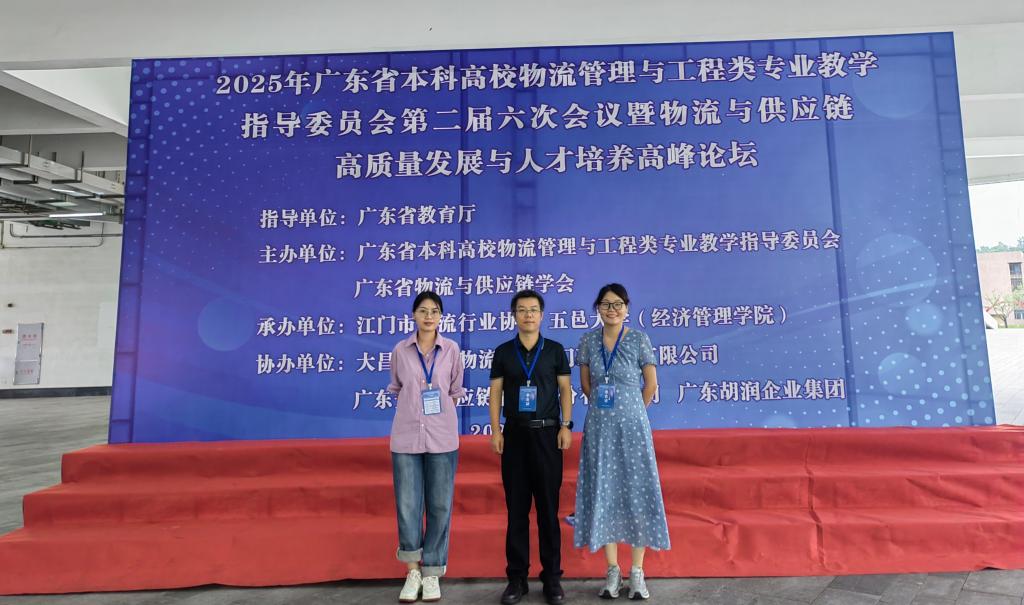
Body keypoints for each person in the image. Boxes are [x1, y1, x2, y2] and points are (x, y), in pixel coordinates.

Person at [573, 283, 670, 601]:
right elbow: (586, 385)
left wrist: (632, 411)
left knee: (637, 490)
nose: (612, 309)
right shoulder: (588, 341)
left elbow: (650, 384)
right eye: (605, 304)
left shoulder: (639, 339)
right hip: (600, 428)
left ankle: (637, 571)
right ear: (597, 309)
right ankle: (612, 570)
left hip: (633, 428)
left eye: (617, 304)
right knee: (604, 490)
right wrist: (607, 412)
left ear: (627, 308)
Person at [489, 289, 574, 605]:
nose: (528, 315)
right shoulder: (503, 352)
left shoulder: (554, 350)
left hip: (547, 436)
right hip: (514, 436)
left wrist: (566, 425)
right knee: (517, 511)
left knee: (548, 511)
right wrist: (496, 430)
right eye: (522, 310)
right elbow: (495, 393)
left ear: (542, 315)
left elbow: (565, 389)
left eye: (534, 310)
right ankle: (517, 579)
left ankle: (552, 578)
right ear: (514, 315)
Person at [388, 291, 466, 603]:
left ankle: (432, 571)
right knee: (408, 505)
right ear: (414, 315)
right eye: (423, 310)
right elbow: (397, 387)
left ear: (441, 316)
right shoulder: (400, 350)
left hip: (442, 437)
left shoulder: (452, 350)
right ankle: (412, 571)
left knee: (439, 505)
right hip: (406, 437)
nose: (429, 316)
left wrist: (436, 417)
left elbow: (455, 391)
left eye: (434, 311)